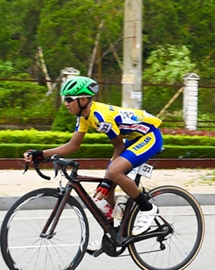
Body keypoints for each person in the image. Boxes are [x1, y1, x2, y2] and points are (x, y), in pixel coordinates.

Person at [23, 76, 164, 238]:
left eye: (69, 99)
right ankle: (113, 236)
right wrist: (41, 154)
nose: (66, 103)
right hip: (133, 138)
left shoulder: (100, 116)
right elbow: (73, 146)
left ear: (83, 99)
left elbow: (119, 146)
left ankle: (148, 209)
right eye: (65, 99)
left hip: (150, 136)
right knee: (107, 187)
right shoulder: (83, 117)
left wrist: (108, 179)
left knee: (113, 173)